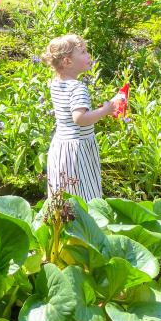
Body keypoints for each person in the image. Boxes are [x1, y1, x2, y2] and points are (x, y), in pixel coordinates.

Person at [41, 34, 125, 201]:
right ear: (67, 62)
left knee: (63, 192)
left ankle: (61, 223)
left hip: (61, 146)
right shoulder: (78, 88)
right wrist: (105, 110)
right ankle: (85, 225)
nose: (89, 56)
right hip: (78, 150)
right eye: (83, 52)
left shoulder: (56, 84)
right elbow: (79, 119)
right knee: (83, 194)